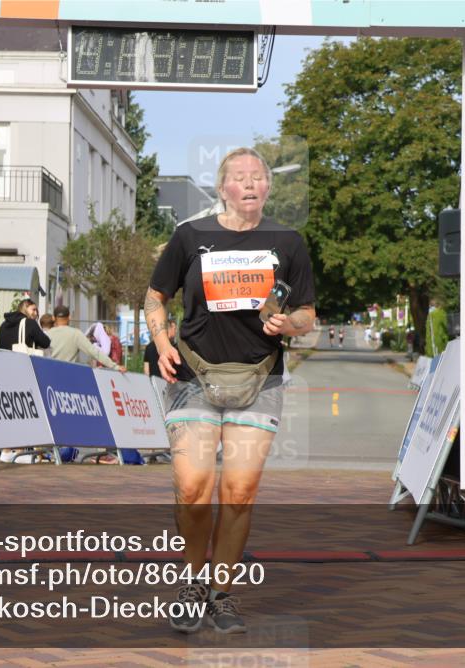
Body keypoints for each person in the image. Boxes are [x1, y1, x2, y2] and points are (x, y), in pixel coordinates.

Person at [144, 147, 316, 635]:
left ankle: (220, 594)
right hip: (192, 375)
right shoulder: (190, 237)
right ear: (222, 188)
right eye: (238, 177)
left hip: (260, 377)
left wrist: (292, 322)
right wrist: (160, 341)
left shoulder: (288, 242)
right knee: (194, 488)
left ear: (267, 188)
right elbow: (156, 296)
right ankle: (192, 581)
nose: (249, 184)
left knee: (238, 492)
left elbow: (307, 312)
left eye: (257, 178)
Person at [48, 306, 126, 372]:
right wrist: (115, 366)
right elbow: (95, 353)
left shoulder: (48, 334)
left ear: (53, 318)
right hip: (69, 374)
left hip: (51, 373)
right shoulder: (76, 334)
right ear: (69, 317)